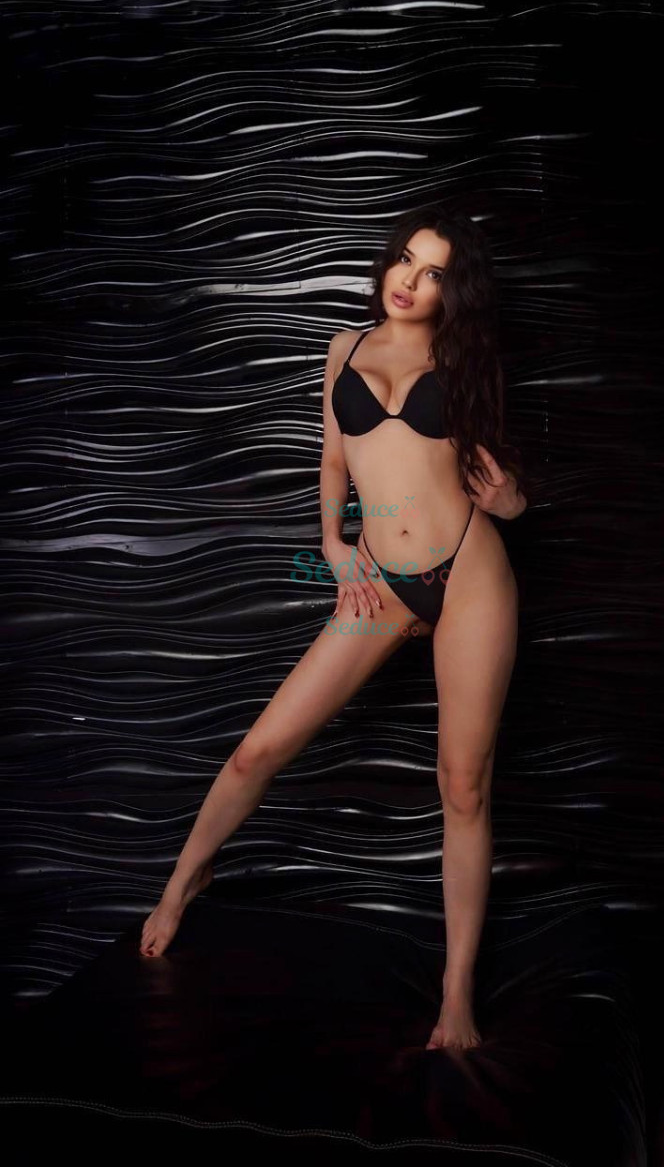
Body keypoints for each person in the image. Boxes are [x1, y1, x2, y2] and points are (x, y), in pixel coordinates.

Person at [139, 203, 531, 1052]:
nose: (409, 281)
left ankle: (455, 995)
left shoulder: (466, 357)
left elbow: (501, 487)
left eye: (432, 272)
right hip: (377, 580)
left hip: (470, 575)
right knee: (258, 751)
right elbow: (331, 459)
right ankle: (181, 883)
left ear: (453, 289)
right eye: (404, 260)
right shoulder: (343, 349)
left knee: (463, 787)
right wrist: (331, 542)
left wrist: (511, 501)